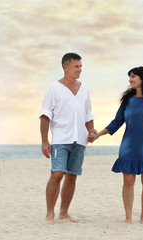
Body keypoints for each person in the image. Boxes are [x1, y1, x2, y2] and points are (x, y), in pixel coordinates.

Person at [89, 66, 143, 224]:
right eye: (129, 77)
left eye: (133, 77)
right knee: (128, 181)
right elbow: (117, 122)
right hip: (128, 146)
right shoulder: (128, 100)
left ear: (142, 78)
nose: (130, 80)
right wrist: (98, 135)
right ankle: (128, 217)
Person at [39, 52, 96, 224]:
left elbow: (88, 114)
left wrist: (91, 130)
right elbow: (45, 116)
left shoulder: (84, 89)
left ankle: (64, 212)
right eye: (76, 67)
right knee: (57, 174)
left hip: (80, 140)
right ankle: (50, 212)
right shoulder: (53, 89)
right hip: (60, 140)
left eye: (81, 67)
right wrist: (44, 141)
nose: (80, 70)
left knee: (72, 176)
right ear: (65, 67)